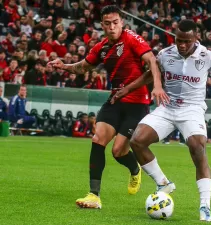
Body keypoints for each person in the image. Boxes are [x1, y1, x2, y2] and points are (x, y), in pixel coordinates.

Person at [111, 19, 211, 222]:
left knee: (197, 147)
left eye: (186, 41)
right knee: (137, 140)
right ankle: (163, 183)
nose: (181, 45)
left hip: (192, 109)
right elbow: (148, 76)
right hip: (167, 107)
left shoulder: (207, 56)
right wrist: (125, 90)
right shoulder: (165, 54)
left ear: (195, 38)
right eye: (178, 40)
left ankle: (205, 205)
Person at [48, 5, 168, 209]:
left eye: (115, 22)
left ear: (122, 22)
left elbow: (152, 61)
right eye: (107, 23)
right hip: (114, 100)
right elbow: (83, 67)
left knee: (118, 151)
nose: (112, 27)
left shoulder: (132, 39)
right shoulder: (102, 47)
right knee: (97, 139)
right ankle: (94, 195)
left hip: (137, 103)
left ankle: (134, 169)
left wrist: (157, 85)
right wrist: (64, 66)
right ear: (102, 25)